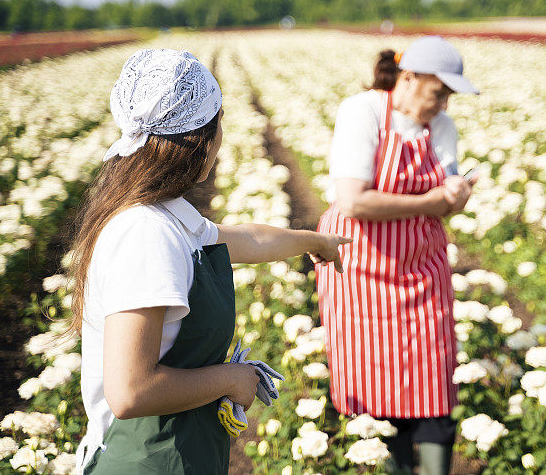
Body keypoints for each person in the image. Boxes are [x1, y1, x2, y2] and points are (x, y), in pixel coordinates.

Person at [69, 48, 348, 474]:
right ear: (201, 138)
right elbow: (129, 391)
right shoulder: (146, 233)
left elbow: (247, 239)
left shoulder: (166, 216)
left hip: (175, 452)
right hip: (145, 461)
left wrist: (317, 241)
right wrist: (230, 379)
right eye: (220, 125)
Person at [314, 36, 479, 475]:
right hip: (360, 266)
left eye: (447, 95)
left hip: (421, 266)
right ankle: (394, 466)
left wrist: (457, 196)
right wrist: (433, 201)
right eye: (437, 92)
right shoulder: (363, 111)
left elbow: (448, 191)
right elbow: (354, 201)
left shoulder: (441, 127)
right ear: (408, 79)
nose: (443, 104)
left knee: (433, 380)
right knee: (372, 379)